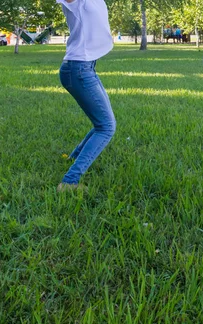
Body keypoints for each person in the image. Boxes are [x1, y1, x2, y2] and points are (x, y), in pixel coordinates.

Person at [56, 0, 116, 191]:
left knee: (103, 123)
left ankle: (72, 158)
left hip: (85, 67)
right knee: (106, 127)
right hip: (78, 69)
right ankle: (69, 182)